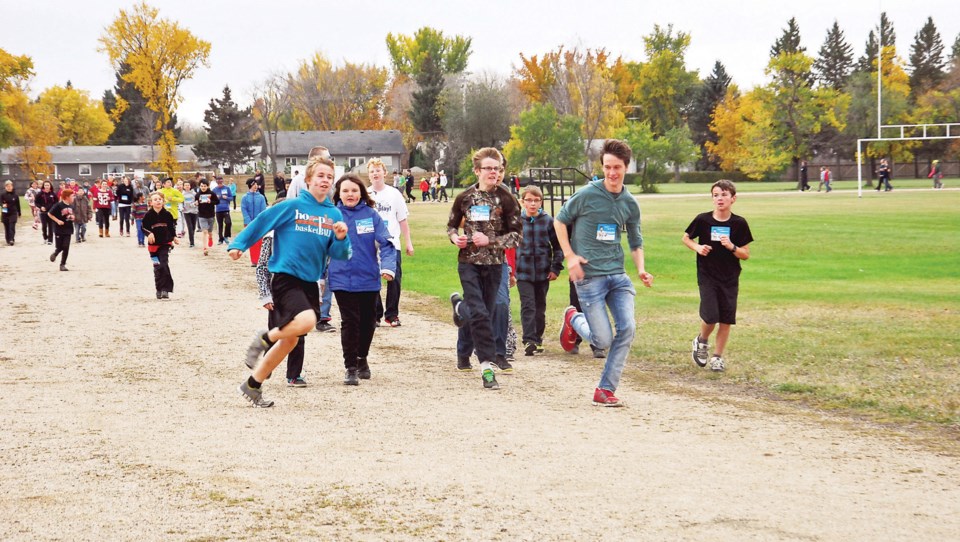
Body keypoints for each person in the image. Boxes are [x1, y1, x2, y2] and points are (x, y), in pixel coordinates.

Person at [229, 155, 350, 408]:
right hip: (286, 277)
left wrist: (340, 238)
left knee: (291, 340)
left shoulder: (333, 213)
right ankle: (264, 338)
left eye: (330, 177)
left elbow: (339, 255)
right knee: (307, 321)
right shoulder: (292, 206)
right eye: (320, 175)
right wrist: (239, 244)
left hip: (309, 281)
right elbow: (262, 222)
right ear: (308, 179)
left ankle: (252, 385)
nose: (325, 180)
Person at [555, 139, 654, 407]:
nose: (612, 173)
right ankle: (573, 318)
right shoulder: (586, 194)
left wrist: (641, 270)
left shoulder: (630, 203)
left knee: (628, 328)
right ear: (602, 166)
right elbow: (559, 221)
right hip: (589, 278)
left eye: (617, 168)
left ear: (626, 168)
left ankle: (605, 390)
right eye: (608, 167)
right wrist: (570, 256)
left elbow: (636, 242)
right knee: (602, 339)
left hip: (618, 277)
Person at [446, 147, 523, 390]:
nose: (494, 172)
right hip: (468, 263)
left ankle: (460, 307)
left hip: (494, 265)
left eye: (498, 168)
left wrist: (490, 241)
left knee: (484, 313)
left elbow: (517, 236)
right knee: (479, 313)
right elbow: (451, 226)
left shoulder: (507, 199)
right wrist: (454, 238)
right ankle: (487, 369)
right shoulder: (464, 198)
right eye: (489, 168)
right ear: (477, 171)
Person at [328, 174, 397, 385]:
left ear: (362, 193)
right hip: (341, 278)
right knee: (350, 322)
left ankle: (361, 359)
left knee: (368, 322)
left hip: (368, 277)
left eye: (355, 190)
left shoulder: (371, 215)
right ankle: (350, 368)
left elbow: (386, 243)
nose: (350, 194)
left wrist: (388, 267)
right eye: (346, 190)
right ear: (339, 193)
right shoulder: (332, 215)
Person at [683, 179, 753, 374]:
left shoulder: (739, 223)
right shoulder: (703, 220)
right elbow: (686, 237)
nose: (720, 198)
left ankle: (717, 357)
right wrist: (697, 247)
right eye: (716, 195)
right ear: (712, 199)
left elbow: (745, 254)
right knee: (711, 315)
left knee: (726, 318)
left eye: (724, 195)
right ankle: (702, 341)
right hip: (707, 275)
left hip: (730, 277)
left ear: (733, 198)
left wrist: (732, 246)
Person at [255, 223, 309, 388]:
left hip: (302, 289)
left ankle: (294, 374)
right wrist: (265, 294)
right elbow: (262, 266)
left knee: (299, 333)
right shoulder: (271, 237)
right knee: (277, 331)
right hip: (279, 290)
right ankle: (268, 363)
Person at [515, 185, 564, 355]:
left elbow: (558, 246)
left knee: (539, 307)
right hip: (523, 272)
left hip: (543, 272)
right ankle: (529, 340)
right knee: (528, 305)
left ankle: (537, 337)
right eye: (529, 200)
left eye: (536, 200)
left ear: (541, 202)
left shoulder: (548, 221)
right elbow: (508, 247)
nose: (533, 204)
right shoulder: (517, 221)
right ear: (522, 202)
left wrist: (556, 268)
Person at [367, 158, 415, 327]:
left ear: (384, 173)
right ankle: (375, 314)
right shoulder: (365, 194)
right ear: (369, 175)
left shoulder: (394, 194)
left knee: (394, 279)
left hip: (392, 243)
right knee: (372, 279)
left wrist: (408, 242)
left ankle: (392, 314)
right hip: (370, 245)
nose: (375, 173)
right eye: (372, 171)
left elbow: (402, 220)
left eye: (378, 170)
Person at [141, 191, 180, 299]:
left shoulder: (167, 214)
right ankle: (158, 288)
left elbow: (171, 228)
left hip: (165, 243)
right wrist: (149, 233)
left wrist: (174, 237)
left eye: (160, 199)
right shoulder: (148, 215)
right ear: (150, 202)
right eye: (155, 199)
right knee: (157, 267)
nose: (158, 201)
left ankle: (165, 289)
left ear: (163, 201)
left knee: (164, 264)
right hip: (153, 246)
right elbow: (143, 227)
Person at [47, 188, 76, 271]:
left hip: (68, 228)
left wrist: (72, 217)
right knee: (59, 247)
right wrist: (57, 221)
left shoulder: (71, 205)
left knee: (66, 247)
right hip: (59, 229)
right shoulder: (58, 205)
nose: (73, 197)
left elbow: (71, 214)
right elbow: (49, 213)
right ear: (67, 197)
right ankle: (55, 253)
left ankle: (62, 264)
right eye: (72, 196)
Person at [241, 179, 268, 266]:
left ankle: (259, 259)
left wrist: (259, 221)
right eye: (253, 184)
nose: (255, 186)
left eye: (256, 184)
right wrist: (248, 221)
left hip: (259, 222)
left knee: (259, 241)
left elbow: (263, 210)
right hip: (248, 222)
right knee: (252, 241)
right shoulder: (244, 197)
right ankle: (254, 260)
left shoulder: (261, 197)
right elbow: (244, 209)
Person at [195, 179, 219, 256]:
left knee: (210, 232)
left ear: (207, 186)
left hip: (211, 215)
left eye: (204, 186)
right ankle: (205, 248)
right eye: (201, 186)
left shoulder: (212, 193)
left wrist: (211, 202)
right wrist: (196, 203)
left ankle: (210, 238)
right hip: (202, 215)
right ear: (199, 186)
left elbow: (217, 202)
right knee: (204, 232)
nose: (203, 187)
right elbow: (196, 202)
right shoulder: (197, 195)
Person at [1, 181, 21, 245]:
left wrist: (19, 212)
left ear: (12, 187)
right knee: (7, 227)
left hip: (13, 212)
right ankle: (8, 239)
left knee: (12, 226)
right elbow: (0, 202)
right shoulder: (2, 195)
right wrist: (2, 205)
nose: (9, 188)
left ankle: (11, 239)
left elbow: (18, 204)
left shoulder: (15, 195)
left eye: (10, 186)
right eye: (7, 186)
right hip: (5, 211)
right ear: (5, 187)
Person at [180, 180, 199, 247]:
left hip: (194, 211)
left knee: (193, 227)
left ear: (190, 186)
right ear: (183, 186)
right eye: (185, 185)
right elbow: (180, 202)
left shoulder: (194, 193)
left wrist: (193, 204)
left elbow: (197, 202)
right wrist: (181, 207)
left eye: (188, 185)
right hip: (186, 212)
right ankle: (192, 242)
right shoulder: (182, 194)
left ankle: (192, 237)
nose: (187, 186)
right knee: (189, 227)